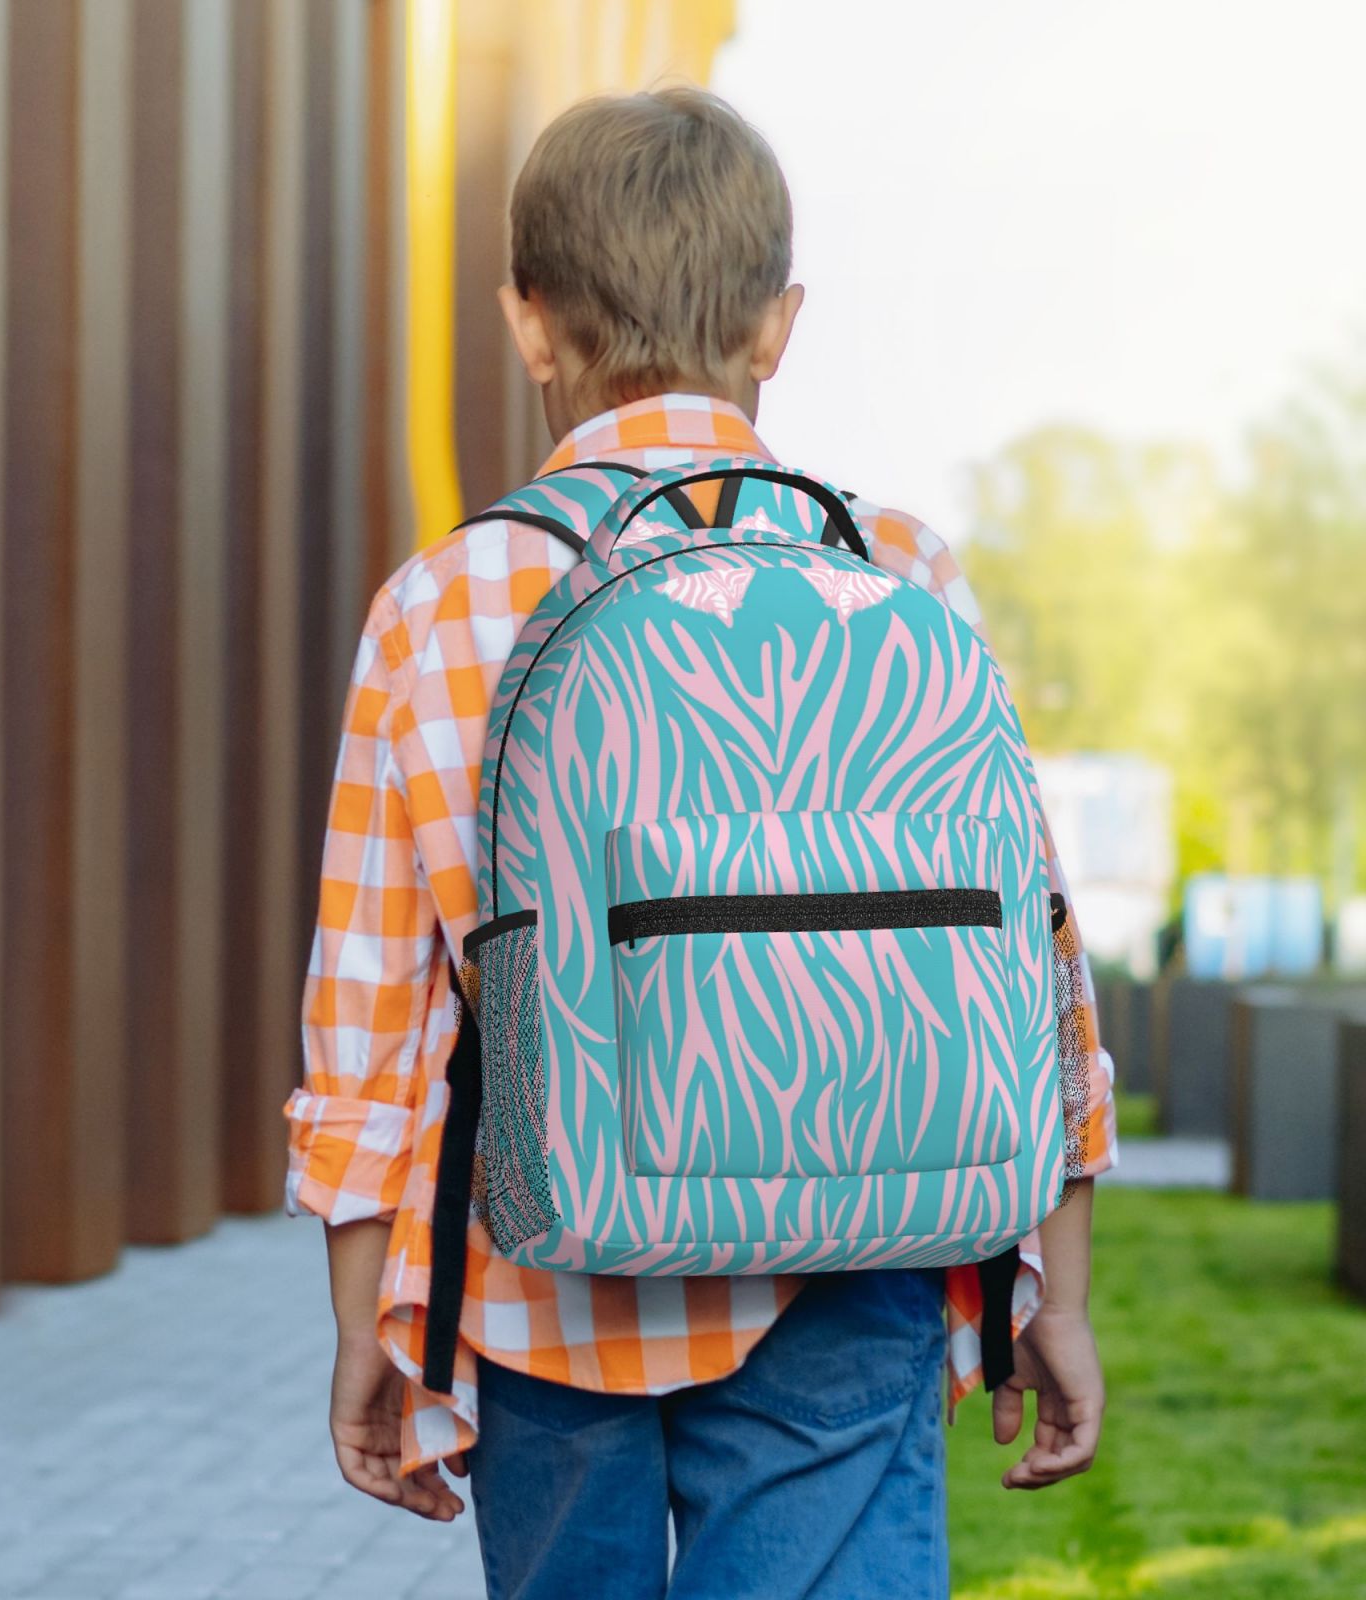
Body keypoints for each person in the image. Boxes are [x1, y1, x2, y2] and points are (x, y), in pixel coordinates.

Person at [284, 86, 1118, 1600]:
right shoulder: (895, 567)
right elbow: (1026, 958)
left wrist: (372, 1325)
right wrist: (1048, 1280)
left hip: (547, 1267)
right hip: (859, 1245)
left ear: (529, 323)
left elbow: (372, 1027)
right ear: (777, 325)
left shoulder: (443, 604)